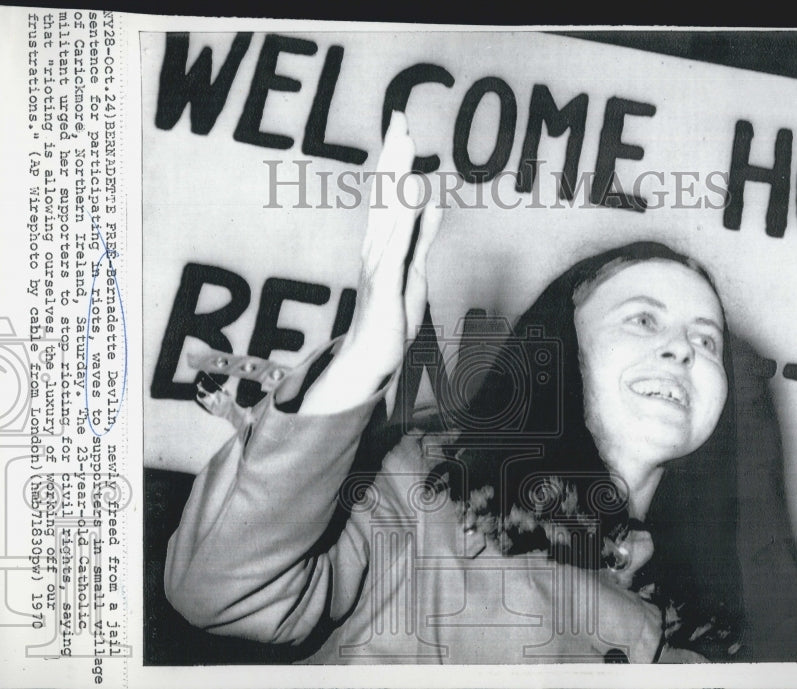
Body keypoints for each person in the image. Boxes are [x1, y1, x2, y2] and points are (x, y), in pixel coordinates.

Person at [164, 112, 743, 664]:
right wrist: (365, 356)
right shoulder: (427, 489)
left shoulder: (705, 624)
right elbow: (218, 590)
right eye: (643, 319)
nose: (683, 348)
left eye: (707, 339)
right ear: (564, 346)